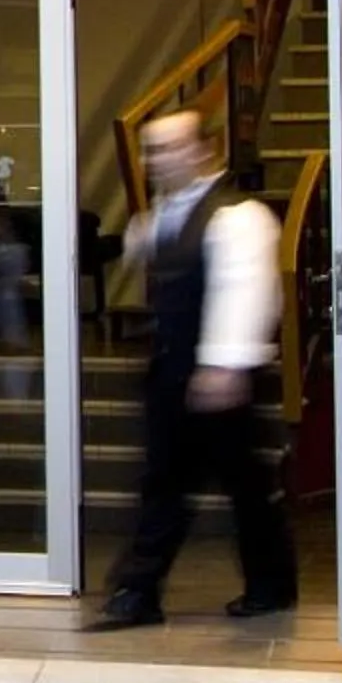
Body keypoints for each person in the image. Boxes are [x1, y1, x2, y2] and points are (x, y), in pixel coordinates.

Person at [90, 110, 296, 631]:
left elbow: (247, 290)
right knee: (168, 480)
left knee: (242, 485)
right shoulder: (164, 213)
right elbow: (144, 246)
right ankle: (139, 592)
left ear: (203, 149)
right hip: (173, 370)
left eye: (169, 148)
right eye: (151, 150)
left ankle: (267, 585)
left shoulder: (238, 215)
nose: (156, 159)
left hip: (220, 374)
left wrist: (224, 364)